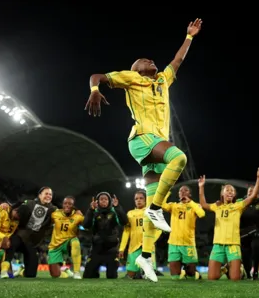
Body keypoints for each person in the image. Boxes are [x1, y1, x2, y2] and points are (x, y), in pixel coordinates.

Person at [84, 18, 202, 282]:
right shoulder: (132, 77)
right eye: (144, 60)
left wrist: (190, 36)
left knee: (152, 205)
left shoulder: (162, 80)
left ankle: (145, 257)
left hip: (155, 145)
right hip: (143, 138)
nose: (150, 61)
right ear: (136, 68)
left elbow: (178, 60)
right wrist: (94, 89)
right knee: (179, 158)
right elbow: (97, 76)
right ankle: (156, 208)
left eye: (150, 60)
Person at [198, 165, 259, 281]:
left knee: (235, 278)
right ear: (222, 194)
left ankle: (239, 270)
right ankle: (225, 269)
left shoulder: (238, 206)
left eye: (232, 191)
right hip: (218, 245)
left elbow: (253, 195)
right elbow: (204, 204)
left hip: (233, 245)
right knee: (212, 277)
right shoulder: (217, 206)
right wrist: (201, 187)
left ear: (235, 195)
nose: (230, 192)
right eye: (227, 190)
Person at [1, 187, 57, 278]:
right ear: (39, 195)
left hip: (32, 243)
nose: (48, 196)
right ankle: (4, 268)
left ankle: (21, 272)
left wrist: (75, 211)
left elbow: (63, 215)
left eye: (50, 194)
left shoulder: (53, 210)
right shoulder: (29, 203)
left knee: (31, 275)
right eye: (46, 193)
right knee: (10, 243)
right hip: (20, 237)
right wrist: (6, 206)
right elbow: (14, 209)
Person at [162, 185, 205, 280]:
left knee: (191, 275)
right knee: (175, 278)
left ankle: (193, 272)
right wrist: (167, 192)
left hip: (188, 243)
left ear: (189, 194)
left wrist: (190, 202)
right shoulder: (173, 206)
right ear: (178, 194)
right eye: (181, 191)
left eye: (186, 190)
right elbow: (161, 204)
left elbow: (202, 214)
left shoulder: (195, 205)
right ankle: (183, 271)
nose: (183, 192)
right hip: (173, 243)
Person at [83, 192, 128, 279]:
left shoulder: (114, 212)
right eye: (101, 199)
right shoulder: (94, 212)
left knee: (111, 276)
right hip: (96, 250)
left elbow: (124, 222)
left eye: (106, 199)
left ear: (109, 201)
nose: (103, 201)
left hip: (111, 250)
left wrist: (118, 207)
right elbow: (86, 225)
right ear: (97, 202)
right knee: (88, 276)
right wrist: (90, 210)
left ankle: (112, 266)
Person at [119, 190, 160, 279]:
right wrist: (122, 248)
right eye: (136, 199)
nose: (139, 200)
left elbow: (159, 229)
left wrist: (150, 240)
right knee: (130, 275)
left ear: (145, 200)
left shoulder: (151, 211)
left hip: (147, 247)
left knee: (149, 276)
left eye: (141, 198)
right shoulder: (130, 214)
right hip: (133, 246)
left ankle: (145, 272)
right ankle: (138, 273)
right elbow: (126, 232)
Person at [238, 185, 259, 280]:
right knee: (245, 255)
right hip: (243, 235)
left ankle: (256, 271)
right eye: (249, 191)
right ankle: (248, 272)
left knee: (256, 246)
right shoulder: (240, 202)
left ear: (257, 193)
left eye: (253, 191)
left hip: (257, 233)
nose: (251, 193)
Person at [48, 196, 84, 279]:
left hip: (68, 243)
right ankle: (66, 272)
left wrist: (91, 211)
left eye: (70, 204)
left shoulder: (78, 216)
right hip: (55, 246)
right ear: (62, 204)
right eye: (65, 203)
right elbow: (46, 223)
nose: (67, 205)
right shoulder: (55, 214)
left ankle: (76, 272)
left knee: (75, 242)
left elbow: (87, 225)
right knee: (55, 275)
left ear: (73, 206)